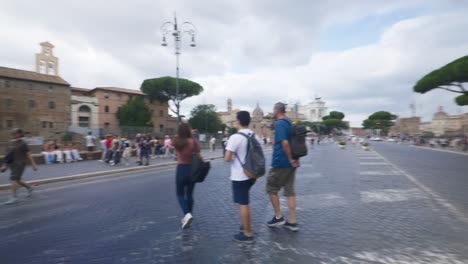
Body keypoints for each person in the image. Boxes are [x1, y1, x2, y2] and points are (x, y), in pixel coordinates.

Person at [224, 111, 258, 244]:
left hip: (240, 175)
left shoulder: (235, 137)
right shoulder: (254, 135)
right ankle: (245, 225)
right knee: (245, 201)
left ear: (238, 121)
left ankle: (247, 233)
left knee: (243, 204)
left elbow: (227, 158)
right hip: (252, 174)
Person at [265, 102, 300, 232]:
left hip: (281, 162)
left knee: (271, 188)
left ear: (276, 110)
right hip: (292, 163)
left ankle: (279, 217)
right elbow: (294, 141)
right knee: (290, 191)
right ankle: (292, 221)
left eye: (273, 109)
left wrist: (290, 159)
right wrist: (295, 159)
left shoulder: (279, 123)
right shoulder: (289, 122)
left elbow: (285, 143)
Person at [173, 123, 201, 229]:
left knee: (180, 194)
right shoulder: (193, 142)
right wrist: (192, 136)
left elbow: (174, 142)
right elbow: (199, 156)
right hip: (192, 170)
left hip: (181, 169)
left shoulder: (177, 141)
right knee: (189, 194)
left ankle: (187, 214)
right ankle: (189, 215)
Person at [1, 129, 38, 205]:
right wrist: (4, 165)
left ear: (20, 134)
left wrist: (33, 164)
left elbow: (28, 154)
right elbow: (8, 156)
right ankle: (29, 188)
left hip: (20, 164)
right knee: (17, 180)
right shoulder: (11, 143)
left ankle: (14, 197)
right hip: (12, 164)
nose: (14, 135)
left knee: (13, 179)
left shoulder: (23, 143)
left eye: (16, 133)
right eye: (13, 133)